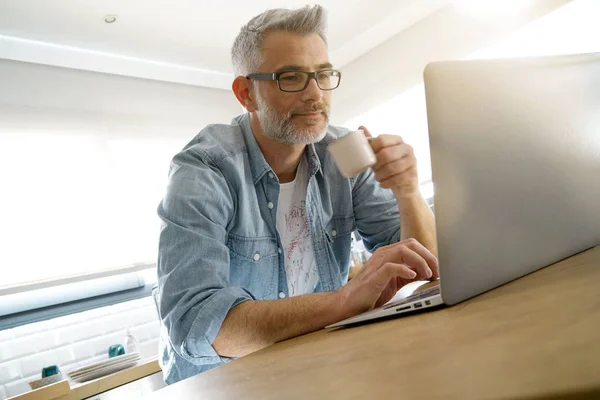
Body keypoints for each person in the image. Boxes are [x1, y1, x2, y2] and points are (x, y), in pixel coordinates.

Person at [156, 5, 438, 384]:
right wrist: (344, 300)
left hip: (317, 368)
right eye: (291, 78)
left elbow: (424, 266)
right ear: (246, 93)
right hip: (222, 383)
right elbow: (194, 324)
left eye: (323, 75)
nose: (315, 95)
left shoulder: (343, 152)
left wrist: (407, 192)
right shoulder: (205, 169)